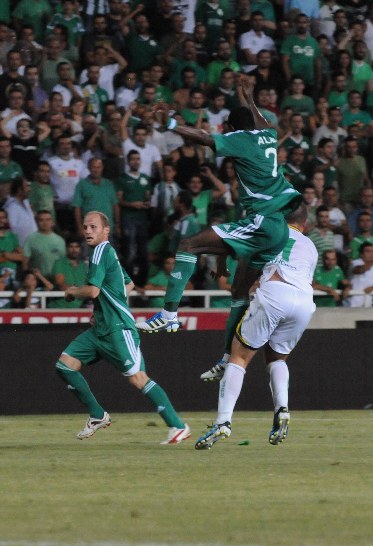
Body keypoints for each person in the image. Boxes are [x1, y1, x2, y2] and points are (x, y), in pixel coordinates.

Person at [136, 78, 301, 336]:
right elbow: (261, 122)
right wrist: (249, 98)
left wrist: (169, 125)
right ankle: (229, 359)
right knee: (239, 292)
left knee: (188, 245)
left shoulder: (239, 139)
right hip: (278, 226)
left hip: (263, 221)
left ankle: (168, 315)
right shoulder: (269, 135)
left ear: (232, 127)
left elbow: (204, 138)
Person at [54, 211, 190, 444]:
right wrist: (102, 310)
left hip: (118, 329)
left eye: (93, 227)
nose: (87, 230)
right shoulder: (107, 254)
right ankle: (97, 414)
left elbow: (93, 291)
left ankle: (178, 426)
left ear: (106, 231)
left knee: (139, 378)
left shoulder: (101, 251)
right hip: (101, 329)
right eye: (85, 227)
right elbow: (129, 284)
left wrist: (71, 291)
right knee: (65, 365)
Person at [195, 207, 317, 448]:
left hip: (275, 292)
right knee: (277, 358)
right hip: (304, 301)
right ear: (304, 224)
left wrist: (226, 270)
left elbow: (236, 249)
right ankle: (282, 409)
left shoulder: (272, 232)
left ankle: (223, 422)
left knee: (238, 358)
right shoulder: (311, 246)